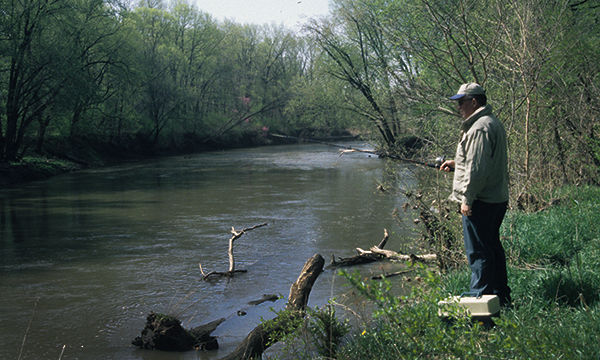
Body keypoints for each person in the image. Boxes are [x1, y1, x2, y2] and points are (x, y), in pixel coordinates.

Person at [440, 83, 511, 306]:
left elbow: (477, 171)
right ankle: (501, 297)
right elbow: (476, 163)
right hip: (495, 198)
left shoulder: (479, 127)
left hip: (481, 201)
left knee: (478, 252)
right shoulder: (490, 123)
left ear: (474, 101)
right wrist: (456, 164)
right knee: (492, 248)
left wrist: (466, 200)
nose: (458, 106)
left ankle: (479, 301)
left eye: (461, 101)